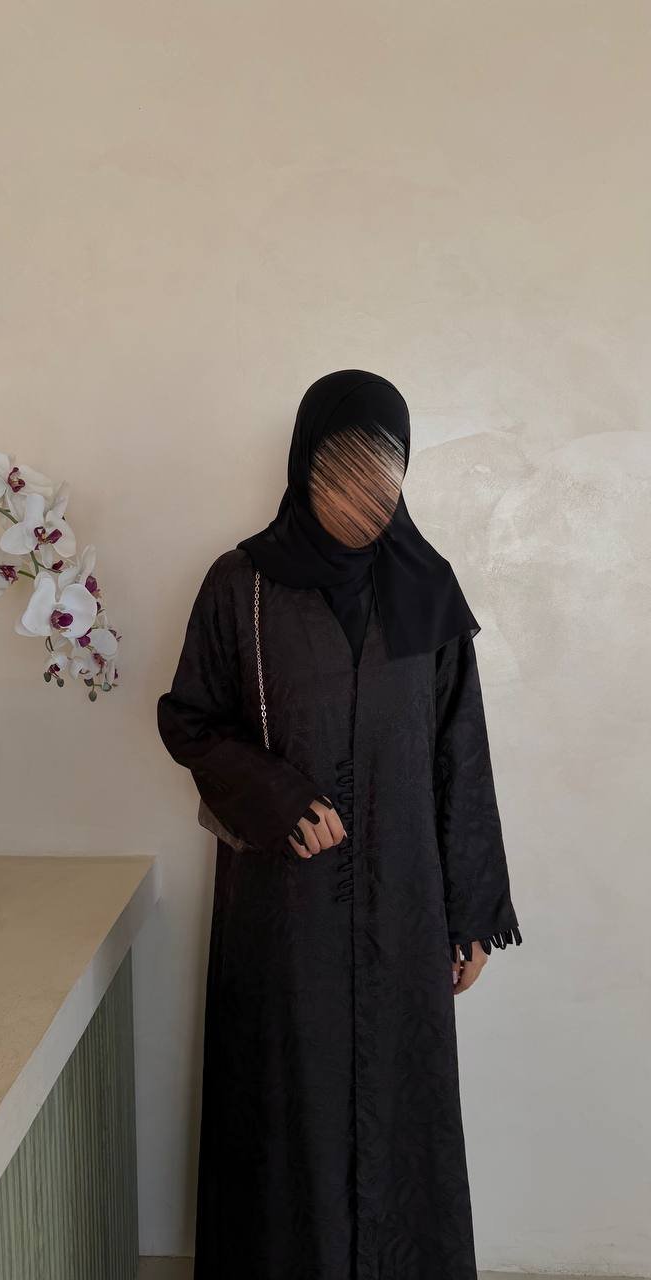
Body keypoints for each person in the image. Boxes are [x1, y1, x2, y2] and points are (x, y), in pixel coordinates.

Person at [157, 369, 522, 1280]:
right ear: (302, 463)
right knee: (291, 1118)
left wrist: (469, 912)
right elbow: (189, 720)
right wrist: (279, 797)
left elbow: (460, 755)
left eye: (382, 467)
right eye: (342, 466)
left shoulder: (429, 591)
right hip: (283, 920)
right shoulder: (240, 585)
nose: (363, 490)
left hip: (405, 910)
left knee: (401, 1116)